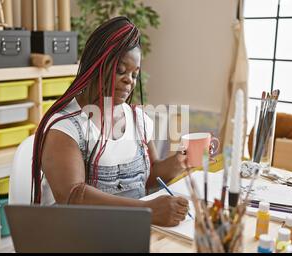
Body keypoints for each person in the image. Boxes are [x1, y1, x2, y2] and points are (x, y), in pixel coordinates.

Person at [32, 16, 189, 227]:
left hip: (127, 230)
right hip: (77, 237)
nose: (129, 81)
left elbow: (148, 178)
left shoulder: (138, 119)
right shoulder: (64, 127)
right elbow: (73, 197)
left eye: (135, 74)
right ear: (94, 64)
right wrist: (148, 210)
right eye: (121, 70)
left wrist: (180, 162)